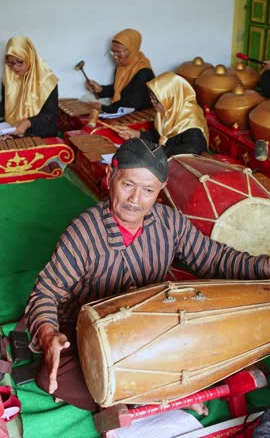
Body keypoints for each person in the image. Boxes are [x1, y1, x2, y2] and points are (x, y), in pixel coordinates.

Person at [25, 138, 270, 411]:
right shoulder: (83, 231)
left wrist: (264, 267)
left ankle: (145, 393)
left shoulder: (169, 222)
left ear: (160, 190)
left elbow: (214, 259)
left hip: (152, 332)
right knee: (56, 376)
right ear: (110, 177)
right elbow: (45, 293)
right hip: (92, 336)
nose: (135, 200)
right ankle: (164, 394)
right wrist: (48, 334)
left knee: (210, 341)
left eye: (147, 190)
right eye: (127, 185)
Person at [116, 71, 209, 158]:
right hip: (163, 157)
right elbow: (159, 137)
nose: (153, 103)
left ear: (171, 98)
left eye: (157, 100)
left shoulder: (191, 120)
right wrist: (137, 134)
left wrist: (153, 151)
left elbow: (192, 151)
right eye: (151, 98)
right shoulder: (168, 111)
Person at [85, 28, 155, 113]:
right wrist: (101, 89)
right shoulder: (122, 65)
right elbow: (121, 91)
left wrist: (104, 108)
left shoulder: (143, 72)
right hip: (123, 106)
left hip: (139, 113)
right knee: (85, 99)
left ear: (132, 50)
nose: (115, 57)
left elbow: (131, 104)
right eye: (113, 52)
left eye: (119, 53)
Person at [0, 36, 59, 137]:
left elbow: (50, 115)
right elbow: (5, 105)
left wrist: (28, 122)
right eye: (11, 62)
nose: (15, 67)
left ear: (30, 57)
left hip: (39, 132)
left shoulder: (47, 81)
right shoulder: (9, 78)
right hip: (13, 129)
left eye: (20, 61)